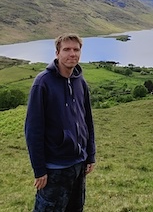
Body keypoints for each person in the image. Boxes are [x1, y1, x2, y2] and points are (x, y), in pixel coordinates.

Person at [25, 33, 96, 212]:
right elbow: (33, 129)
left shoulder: (81, 82)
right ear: (57, 53)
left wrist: (90, 155)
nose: (72, 54)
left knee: (75, 208)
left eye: (76, 49)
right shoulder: (42, 83)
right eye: (66, 49)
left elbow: (87, 120)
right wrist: (39, 169)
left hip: (78, 164)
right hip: (55, 167)